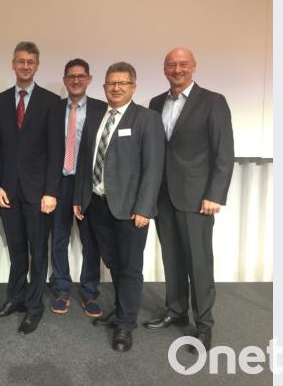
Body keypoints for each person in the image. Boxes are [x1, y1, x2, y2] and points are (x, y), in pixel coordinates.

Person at [142, 47, 235, 352]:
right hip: (163, 196)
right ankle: (176, 310)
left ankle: (204, 325)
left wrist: (215, 194)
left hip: (197, 198)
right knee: (172, 257)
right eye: (171, 65)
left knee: (198, 262)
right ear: (164, 69)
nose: (177, 69)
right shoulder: (156, 103)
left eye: (183, 64)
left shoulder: (213, 102)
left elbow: (224, 153)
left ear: (194, 67)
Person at [72, 61, 166, 352]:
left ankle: (126, 324)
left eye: (123, 83)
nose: (116, 87)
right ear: (103, 87)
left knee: (130, 267)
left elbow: (153, 167)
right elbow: (85, 163)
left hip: (130, 210)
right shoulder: (96, 117)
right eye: (111, 83)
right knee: (113, 263)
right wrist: (79, 198)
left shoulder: (146, 119)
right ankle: (122, 309)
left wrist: (145, 207)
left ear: (133, 87)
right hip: (98, 206)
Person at [0, 41, 63, 335]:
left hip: (39, 193)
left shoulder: (51, 102)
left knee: (37, 251)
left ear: (37, 65)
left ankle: (34, 307)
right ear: (13, 64)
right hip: (9, 192)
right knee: (17, 249)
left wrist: (51, 192)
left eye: (31, 61)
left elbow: (56, 150)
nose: (25, 66)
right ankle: (15, 298)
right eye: (21, 61)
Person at [47, 59, 106, 317]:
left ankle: (89, 291)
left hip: (88, 184)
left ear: (89, 79)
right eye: (71, 76)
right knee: (58, 238)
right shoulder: (53, 109)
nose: (76, 80)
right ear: (64, 79)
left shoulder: (102, 109)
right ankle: (61, 288)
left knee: (89, 241)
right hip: (59, 183)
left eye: (81, 76)